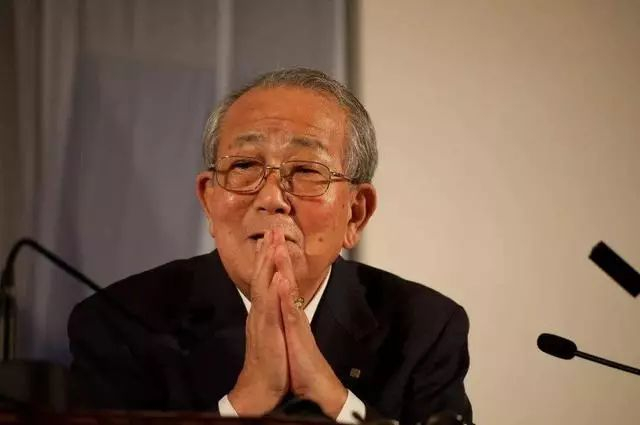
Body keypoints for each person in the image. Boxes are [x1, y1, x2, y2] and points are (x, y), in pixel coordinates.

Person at [68, 68, 472, 424]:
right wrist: (245, 403)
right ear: (209, 200)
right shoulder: (118, 324)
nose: (272, 198)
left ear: (355, 213)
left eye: (307, 170)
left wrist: (331, 398)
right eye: (244, 165)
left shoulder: (423, 327)